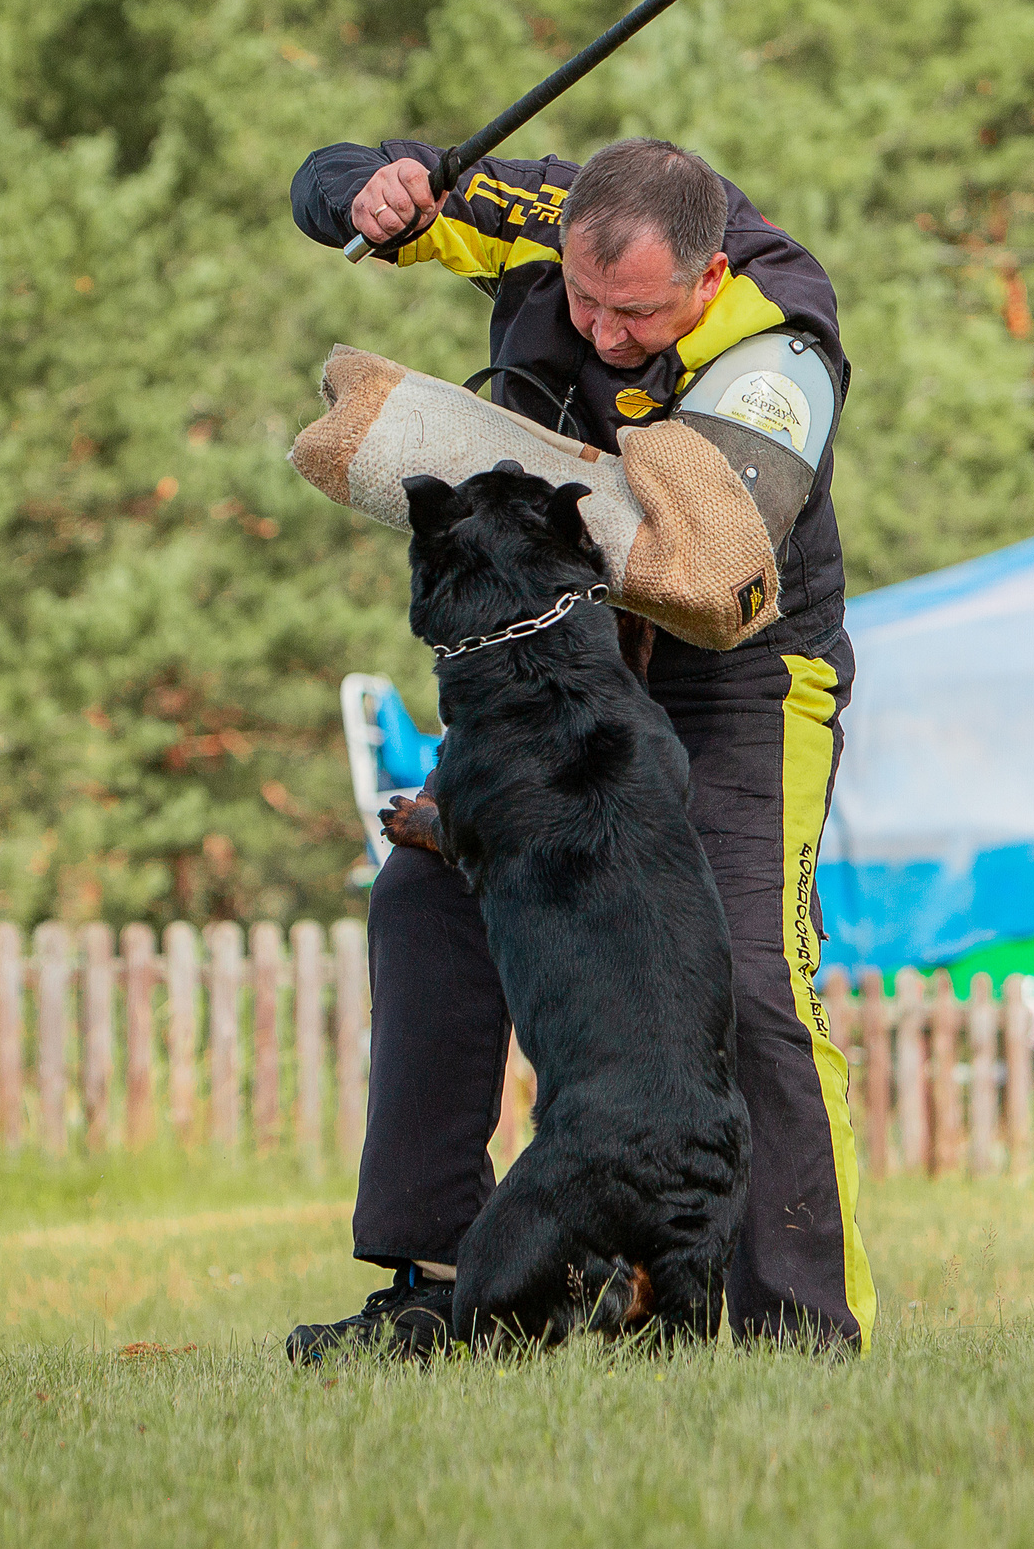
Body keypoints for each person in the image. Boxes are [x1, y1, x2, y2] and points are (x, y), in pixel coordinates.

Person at [284, 135, 872, 1355]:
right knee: (424, 900)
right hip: (567, 643)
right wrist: (364, 189)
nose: (602, 335)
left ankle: (794, 1329)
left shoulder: (779, 349)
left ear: (704, 286)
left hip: (744, 666)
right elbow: (346, 189)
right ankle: (437, 1277)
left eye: (637, 315)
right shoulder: (538, 217)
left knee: (757, 983)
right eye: (582, 301)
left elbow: (704, 561)